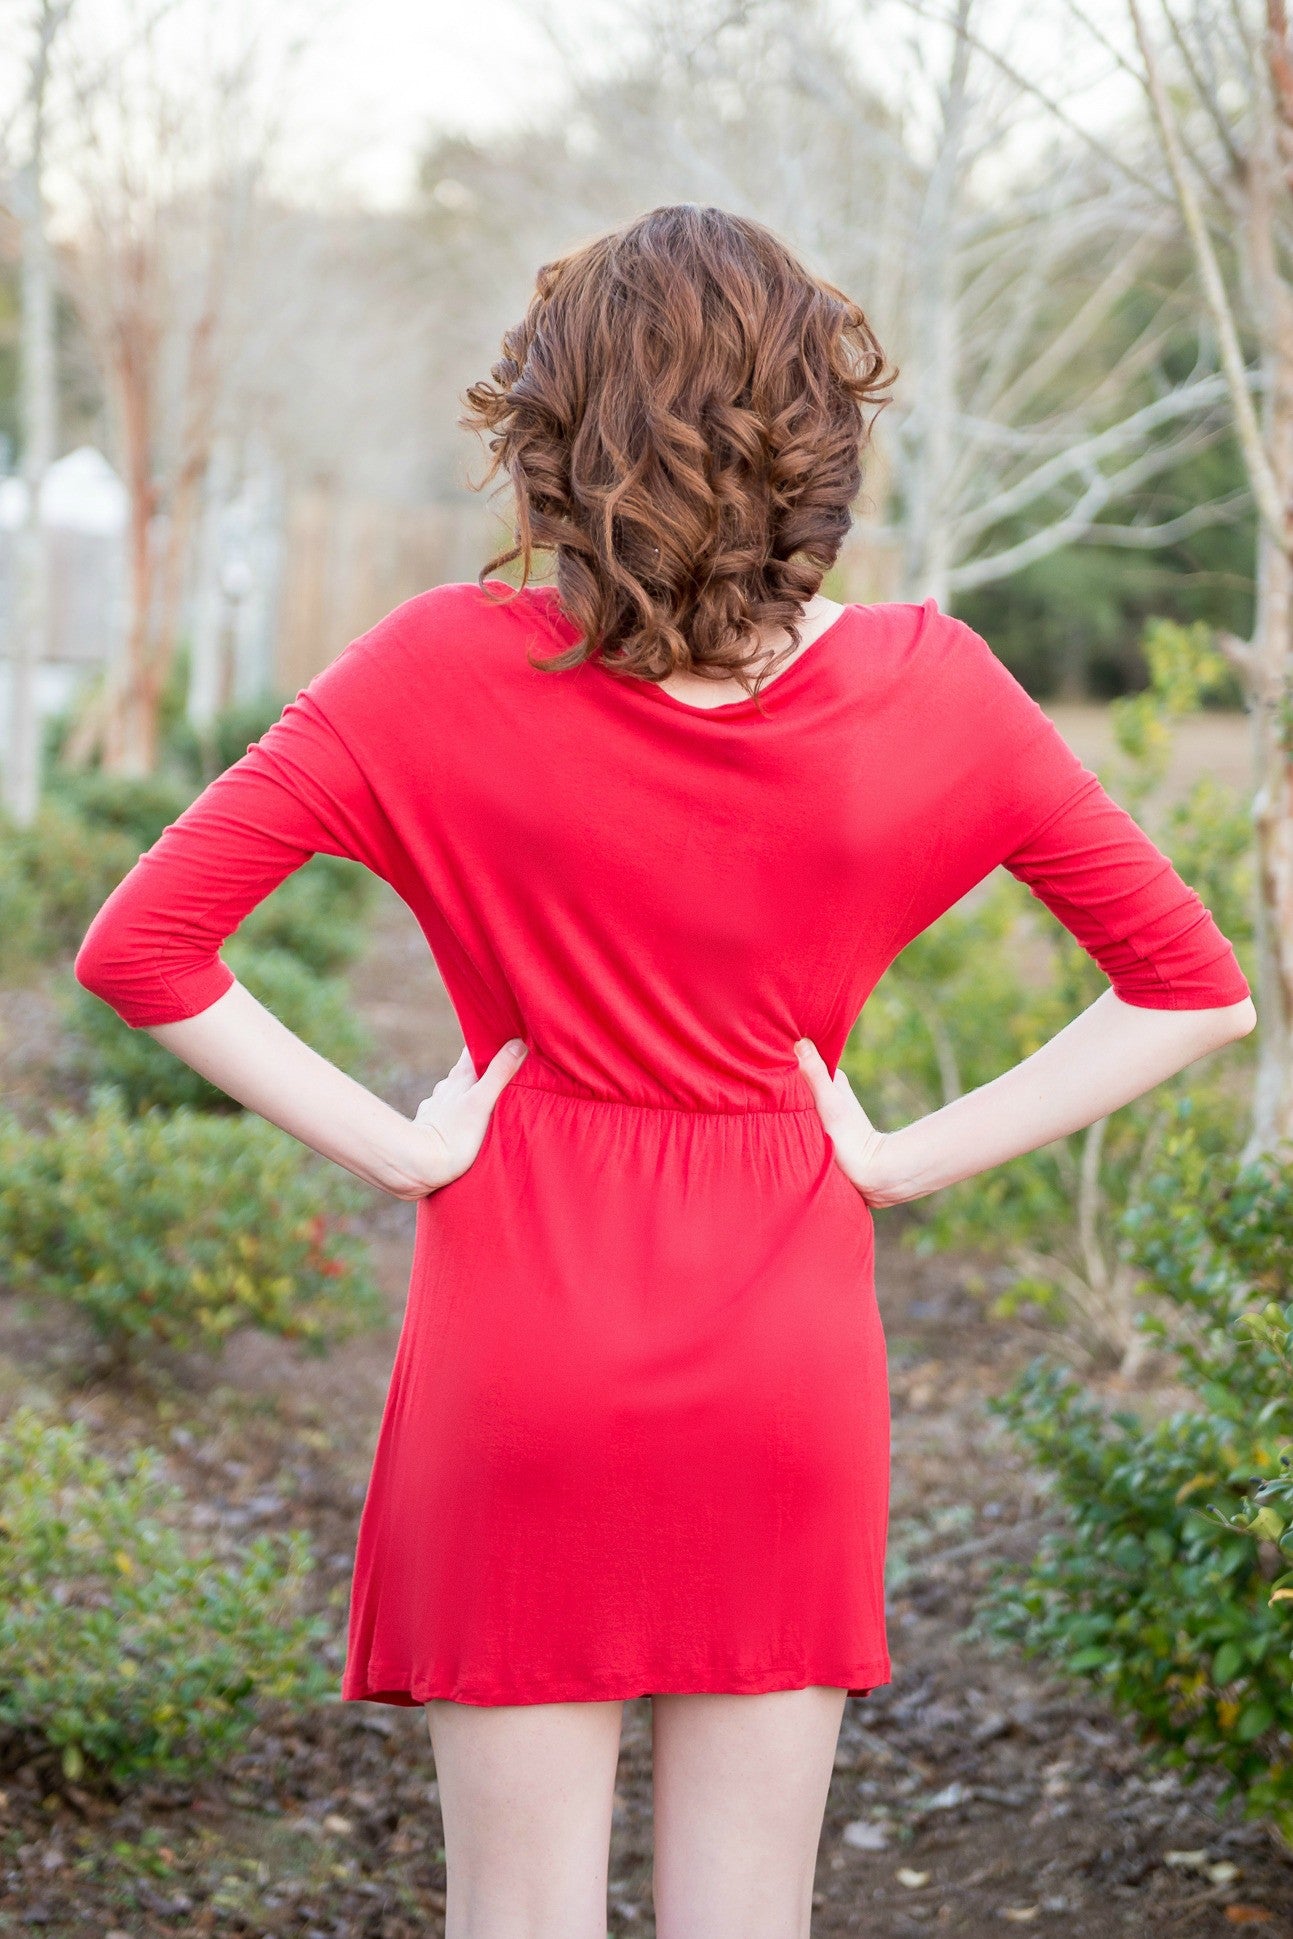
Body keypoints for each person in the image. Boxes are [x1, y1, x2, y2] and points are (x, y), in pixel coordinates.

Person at [74, 203, 1255, 1939]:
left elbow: (142, 948)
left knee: (518, 1917)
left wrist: (398, 1154)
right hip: (780, 1349)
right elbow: (1191, 990)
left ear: (554, 440)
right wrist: (899, 1158)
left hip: (519, 1338)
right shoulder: (936, 691)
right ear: (816, 444)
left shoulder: (426, 673)